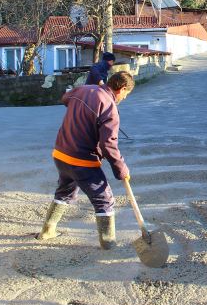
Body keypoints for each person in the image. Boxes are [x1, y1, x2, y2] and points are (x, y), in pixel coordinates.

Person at [36, 71, 135, 249]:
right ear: (120, 89)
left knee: (65, 192)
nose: (125, 98)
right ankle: (108, 244)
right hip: (81, 160)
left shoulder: (83, 90)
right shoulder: (109, 107)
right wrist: (122, 169)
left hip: (61, 154)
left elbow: (65, 98)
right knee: (104, 200)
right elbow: (108, 144)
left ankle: (47, 230)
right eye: (126, 94)